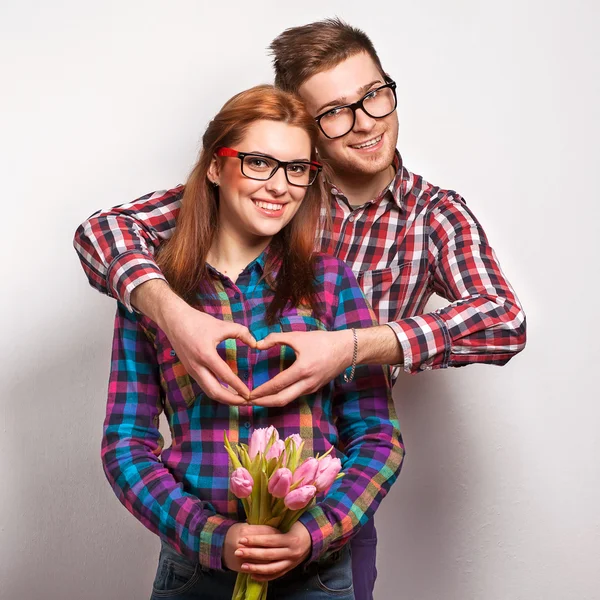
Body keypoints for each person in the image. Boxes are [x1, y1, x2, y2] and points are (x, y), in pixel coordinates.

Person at [75, 18, 526, 600]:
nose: (364, 122)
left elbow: (502, 322)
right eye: (336, 112)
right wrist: (171, 312)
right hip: (200, 551)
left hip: (329, 518)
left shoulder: (425, 220)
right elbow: (103, 232)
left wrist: (352, 345)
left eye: (374, 96)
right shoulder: (250, 189)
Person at [101, 84, 403, 600]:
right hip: (195, 574)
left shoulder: (331, 283)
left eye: (297, 169)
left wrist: (316, 531)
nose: (280, 185)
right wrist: (212, 536)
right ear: (215, 167)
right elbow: (125, 444)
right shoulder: (157, 293)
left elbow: (378, 438)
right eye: (259, 162)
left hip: (317, 576)